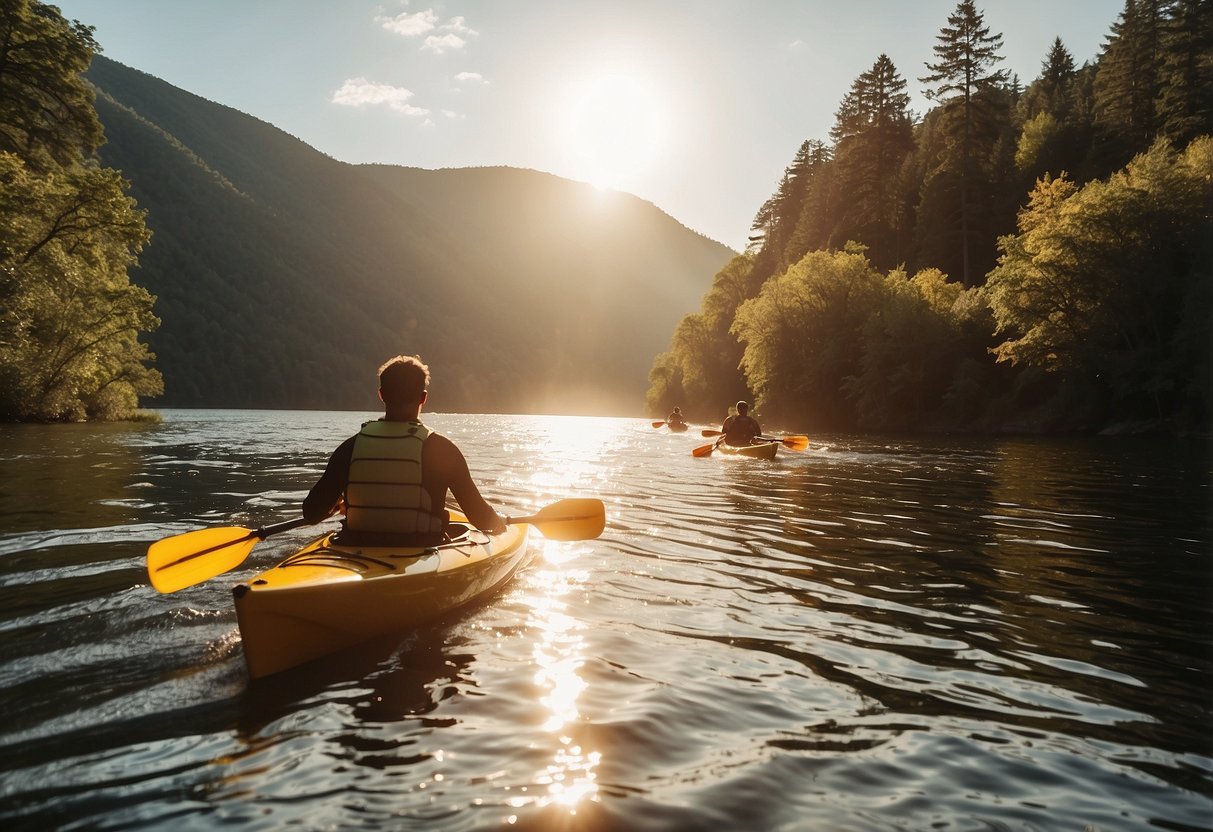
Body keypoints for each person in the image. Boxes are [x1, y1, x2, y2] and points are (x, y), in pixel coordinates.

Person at [303, 354, 506, 545]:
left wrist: (334, 506)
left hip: (356, 545)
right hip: (424, 549)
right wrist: (500, 522)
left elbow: (311, 513)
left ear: (381, 395)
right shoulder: (442, 450)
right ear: (423, 398)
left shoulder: (350, 448)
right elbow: (481, 519)